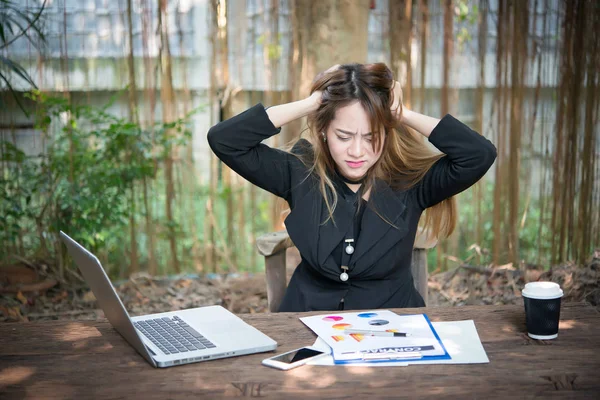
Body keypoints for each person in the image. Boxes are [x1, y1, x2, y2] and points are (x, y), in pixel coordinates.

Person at [208, 63, 497, 312]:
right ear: (324, 131)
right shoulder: (300, 173)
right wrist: (313, 103)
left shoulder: (410, 182)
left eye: (371, 136)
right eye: (344, 136)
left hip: (392, 324)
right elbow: (225, 140)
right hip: (306, 319)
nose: (357, 151)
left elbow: (479, 155)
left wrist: (402, 113)